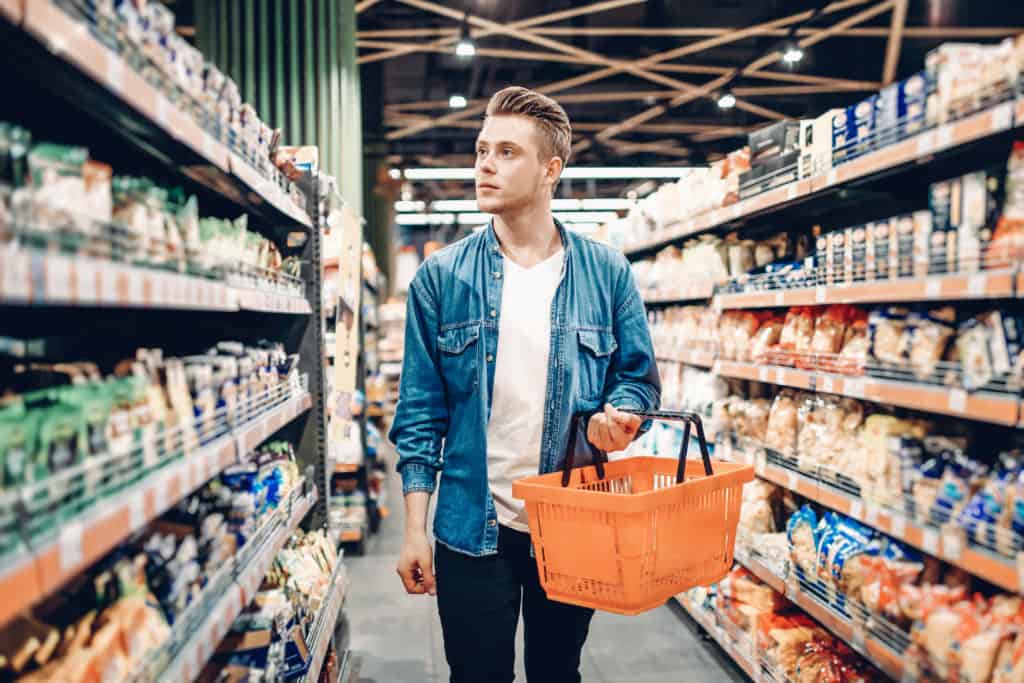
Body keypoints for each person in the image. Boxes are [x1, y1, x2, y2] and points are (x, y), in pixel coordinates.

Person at [388, 86, 661, 683]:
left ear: (550, 169)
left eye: (507, 152)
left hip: (571, 519)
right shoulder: (440, 278)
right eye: (482, 149)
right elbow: (419, 416)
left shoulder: (606, 271)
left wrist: (619, 416)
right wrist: (413, 529)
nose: (484, 164)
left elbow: (637, 380)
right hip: (468, 524)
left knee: (558, 672)